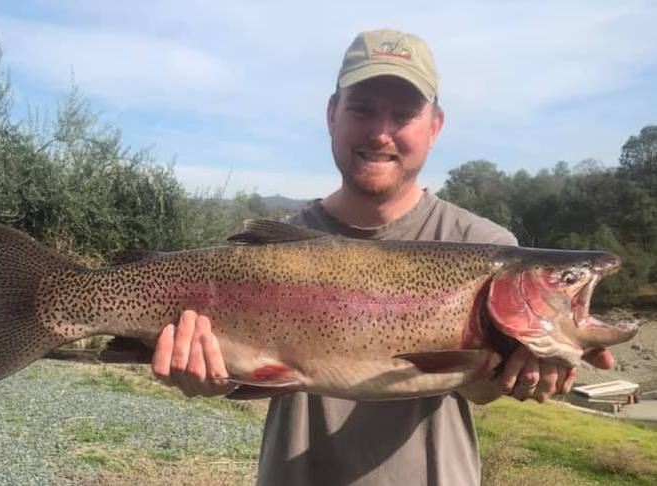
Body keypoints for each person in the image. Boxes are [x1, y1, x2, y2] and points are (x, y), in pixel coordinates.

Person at [151, 28, 613, 486]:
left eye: (404, 114)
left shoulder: (483, 242)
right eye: (362, 109)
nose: (380, 132)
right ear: (332, 115)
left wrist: (522, 370)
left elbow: (478, 391)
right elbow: (245, 367)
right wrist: (214, 377)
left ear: (435, 126)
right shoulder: (281, 246)